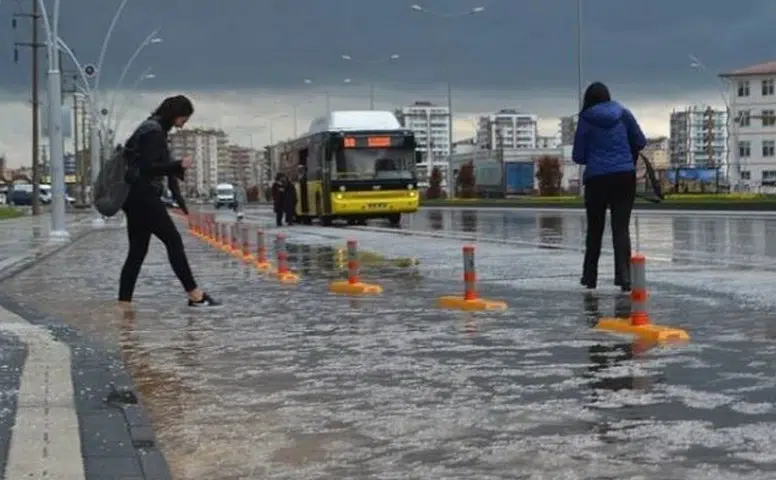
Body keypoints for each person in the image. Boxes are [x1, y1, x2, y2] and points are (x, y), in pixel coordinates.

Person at [118, 95, 220, 308]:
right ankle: (195, 294)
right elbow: (148, 168)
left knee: (137, 251)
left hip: (133, 198)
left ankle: (123, 304)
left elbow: (161, 167)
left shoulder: (151, 128)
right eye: (183, 119)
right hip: (144, 196)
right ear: (175, 114)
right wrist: (178, 165)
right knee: (173, 241)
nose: (182, 124)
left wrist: (178, 197)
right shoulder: (154, 132)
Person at [572, 82, 647, 292]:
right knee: (621, 228)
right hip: (624, 177)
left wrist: (595, 155)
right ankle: (624, 277)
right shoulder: (623, 114)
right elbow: (640, 141)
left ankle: (590, 277)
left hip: (596, 178)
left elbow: (578, 156)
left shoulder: (586, 119)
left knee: (594, 229)